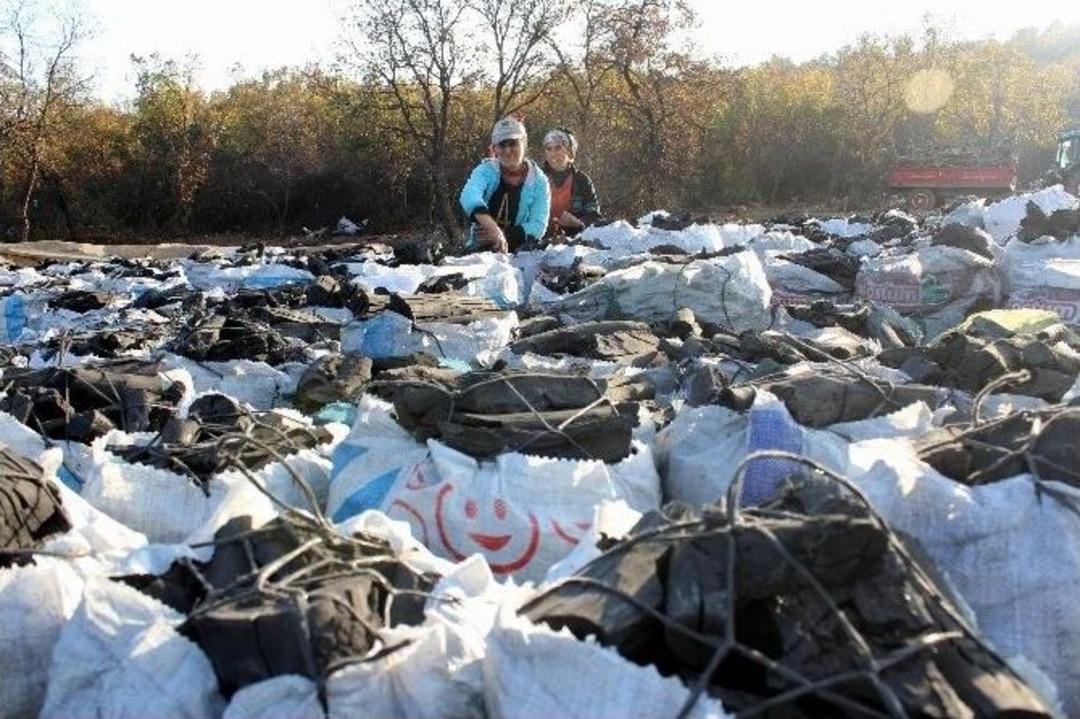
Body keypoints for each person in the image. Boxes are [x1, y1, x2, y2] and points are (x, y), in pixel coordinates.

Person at [459, 116, 550, 253]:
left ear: (524, 143)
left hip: (521, 253)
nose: (507, 150)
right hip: (479, 250)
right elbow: (469, 196)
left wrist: (502, 235)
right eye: (502, 145)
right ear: (495, 148)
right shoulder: (486, 170)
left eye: (513, 143)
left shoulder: (539, 180)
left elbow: (538, 225)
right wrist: (492, 228)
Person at [541, 127, 601, 239]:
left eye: (558, 148)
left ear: (570, 152)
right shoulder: (537, 178)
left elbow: (594, 217)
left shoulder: (582, 181)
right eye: (549, 148)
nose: (553, 154)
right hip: (538, 243)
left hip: (573, 243)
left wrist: (577, 223)